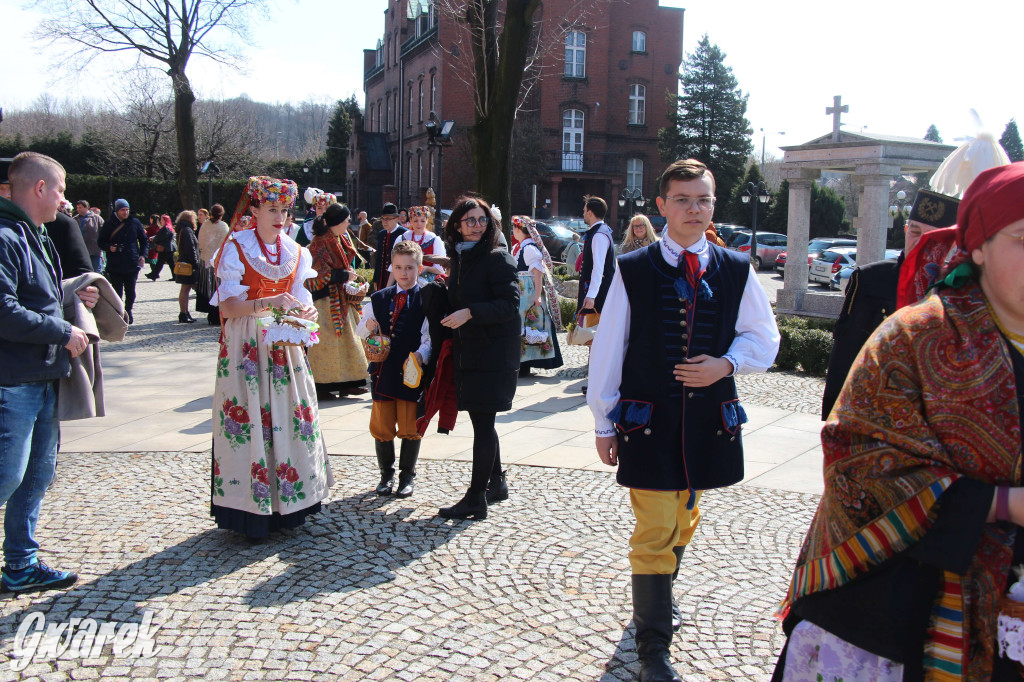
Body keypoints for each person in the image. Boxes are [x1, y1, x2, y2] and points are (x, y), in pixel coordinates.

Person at [774, 162, 1024, 682]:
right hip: (892, 616)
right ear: (978, 246)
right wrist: (1001, 504)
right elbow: (856, 464)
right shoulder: (913, 337)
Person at [588, 159, 779, 682]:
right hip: (648, 421)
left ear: (714, 204)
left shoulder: (736, 268)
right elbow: (609, 349)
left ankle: (661, 590)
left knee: (686, 517)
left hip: (707, 423)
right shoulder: (635, 268)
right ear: (661, 205)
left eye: (704, 200)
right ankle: (653, 650)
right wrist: (604, 422)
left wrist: (726, 364)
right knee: (654, 528)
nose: (694, 209)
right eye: (683, 199)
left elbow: (764, 338)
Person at [208, 175, 330, 539]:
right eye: (272, 209)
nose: (280, 217)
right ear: (255, 210)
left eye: (285, 210)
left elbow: (301, 297)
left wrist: (307, 314)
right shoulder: (235, 246)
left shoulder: (297, 250)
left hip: (284, 344)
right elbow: (229, 307)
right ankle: (250, 510)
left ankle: (290, 506)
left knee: (288, 414)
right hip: (247, 341)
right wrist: (266, 303)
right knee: (250, 417)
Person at [0, 151, 92, 593]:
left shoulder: (33, 234)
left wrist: (75, 298)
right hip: (12, 381)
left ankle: (20, 565)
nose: (63, 199)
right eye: (59, 188)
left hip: (40, 376)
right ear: (39, 188)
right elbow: (3, 310)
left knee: (35, 477)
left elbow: (36, 295)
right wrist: (62, 329)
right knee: (6, 476)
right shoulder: (5, 236)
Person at [820, 189, 958, 420]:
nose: (921, 241)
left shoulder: (959, 289)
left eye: (933, 236)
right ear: (905, 230)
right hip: (877, 410)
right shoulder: (870, 278)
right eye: (915, 232)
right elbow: (847, 350)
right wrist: (835, 415)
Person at [435, 196, 520, 520]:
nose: (476, 225)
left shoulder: (498, 257)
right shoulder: (462, 258)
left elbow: (510, 305)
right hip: (470, 350)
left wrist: (470, 312)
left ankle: (475, 498)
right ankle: (496, 482)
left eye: (481, 219)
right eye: (469, 220)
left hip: (493, 354)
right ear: (456, 225)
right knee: (481, 420)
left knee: (484, 422)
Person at [356, 239, 430, 498]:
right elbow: (361, 330)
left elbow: (429, 337)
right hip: (383, 373)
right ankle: (385, 475)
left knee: (411, 426)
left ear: (419, 269)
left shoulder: (427, 298)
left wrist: (420, 356)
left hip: (412, 373)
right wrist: (369, 329)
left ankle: (407, 477)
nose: (404, 273)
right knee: (382, 425)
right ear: (392, 269)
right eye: (398, 268)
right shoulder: (378, 299)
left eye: (409, 268)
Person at [305, 203, 369, 400]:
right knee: (327, 343)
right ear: (338, 222)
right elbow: (314, 276)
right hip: (324, 301)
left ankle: (348, 382)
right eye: (347, 220)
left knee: (348, 340)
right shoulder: (319, 243)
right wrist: (342, 275)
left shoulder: (341, 238)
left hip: (340, 297)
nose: (349, 223)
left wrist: (351, 280)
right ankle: (323, 385)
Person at [511, 215, 563, 377]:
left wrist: (538, 295)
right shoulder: (519, 247)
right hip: (520, 291)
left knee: (528, 326)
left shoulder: (529, 248)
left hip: (528, 291)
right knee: (522, 326)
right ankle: (521, 362)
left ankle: (526, 363)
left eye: (514, 228)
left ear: (520, 229)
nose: (513, 231)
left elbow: (537, 272)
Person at [97, 199, 148, 324]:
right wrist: (110, 247)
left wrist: (142, 255)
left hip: (131, 261)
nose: (125, 212)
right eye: (122, 210)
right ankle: (119, 313)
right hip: (116, 263)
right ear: (117, 210)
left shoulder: (134, 222)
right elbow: (100, 242)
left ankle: (128, 310)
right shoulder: (109, 223)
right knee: (117, 291)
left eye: (127, 210)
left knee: (131, 292)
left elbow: (144, 240)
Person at [391, 206, 446, 286]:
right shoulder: (403, 238)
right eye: (416, 221)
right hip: (405, 281)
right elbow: (394, 266)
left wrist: (425, 268)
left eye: (422, 221)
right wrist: (387, 287)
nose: (419, 224)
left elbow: (441, 269)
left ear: (427, 221)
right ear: (410, 220)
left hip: (428, 285)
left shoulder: (434, 240)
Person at [197, 203, 230, 325]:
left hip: (205, 260)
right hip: (218, 261)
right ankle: (217, 314)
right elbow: (227, 244)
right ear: (221, 215)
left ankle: (210, 313)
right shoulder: (223, 226)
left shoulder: (205, 225)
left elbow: (200, 241)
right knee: (218, 288)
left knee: (208, 288)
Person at [45, 202, 93, 277]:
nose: (63, 201)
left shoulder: (65, 223)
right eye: (60, 191)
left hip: (92, 250)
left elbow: (83, 274)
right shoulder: (70, 221)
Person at [373, 203, 407, 292]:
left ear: (396, 219)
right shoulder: (382, 234)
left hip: (396, 276)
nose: (385, 221)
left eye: (388, 219)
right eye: (383, 219)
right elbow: (379, 257)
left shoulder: (403, 233)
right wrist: (376, 278)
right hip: (382, 276)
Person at [173, 210, 200, 323]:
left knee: (186, 289)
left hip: (184, 261)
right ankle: (183, 313)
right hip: (188, 264)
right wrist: (195, 263)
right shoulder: (187, 230)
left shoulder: (181, 229)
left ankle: (184, 312)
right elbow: (191, 248)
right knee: (185, 289)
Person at [145, 214, 176, 280]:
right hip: (169, 248)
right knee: (171, 263)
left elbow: (161, 237)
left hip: (165, 248)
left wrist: (153, 239)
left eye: (162, 220)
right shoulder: (169, 227)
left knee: (160, 262)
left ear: (165, 220)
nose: (160, 221)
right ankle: (175, 276)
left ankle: (154, 274)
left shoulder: (166, 228)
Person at [75, 200, 103, 272]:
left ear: (86, 208)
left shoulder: (97, 218)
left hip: (94, 251)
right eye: (77, 208)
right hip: (80, 251)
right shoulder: (75, 219)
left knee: (95, 272)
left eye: (80, 207)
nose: (78, 209)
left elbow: (103, 233)